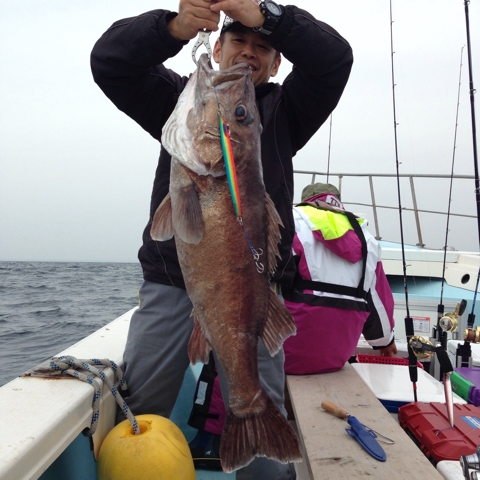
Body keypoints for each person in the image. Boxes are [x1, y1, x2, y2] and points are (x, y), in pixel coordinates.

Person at [91, 1, 353, 478]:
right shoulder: (183, 103)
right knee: (143, 404)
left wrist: (266, 16)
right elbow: (110, 62)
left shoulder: (286, 111)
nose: (248, 53)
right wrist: (173, 27)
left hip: (253, 293)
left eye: (262, 48)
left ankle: (261, 449)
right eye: (239, 41)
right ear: (216, 46)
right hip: (171, 284)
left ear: (277, 65)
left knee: (262, 420)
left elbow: (334, 59)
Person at [187, 182, 396, 468]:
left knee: (225, 348)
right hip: (335, 357)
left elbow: (266, 277)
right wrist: (385, 343)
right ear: (337, 202)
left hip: (290, 351)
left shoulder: (292, 220)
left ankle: (208, 440)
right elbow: (378, 302)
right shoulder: (367, 238)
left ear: (306, 201)